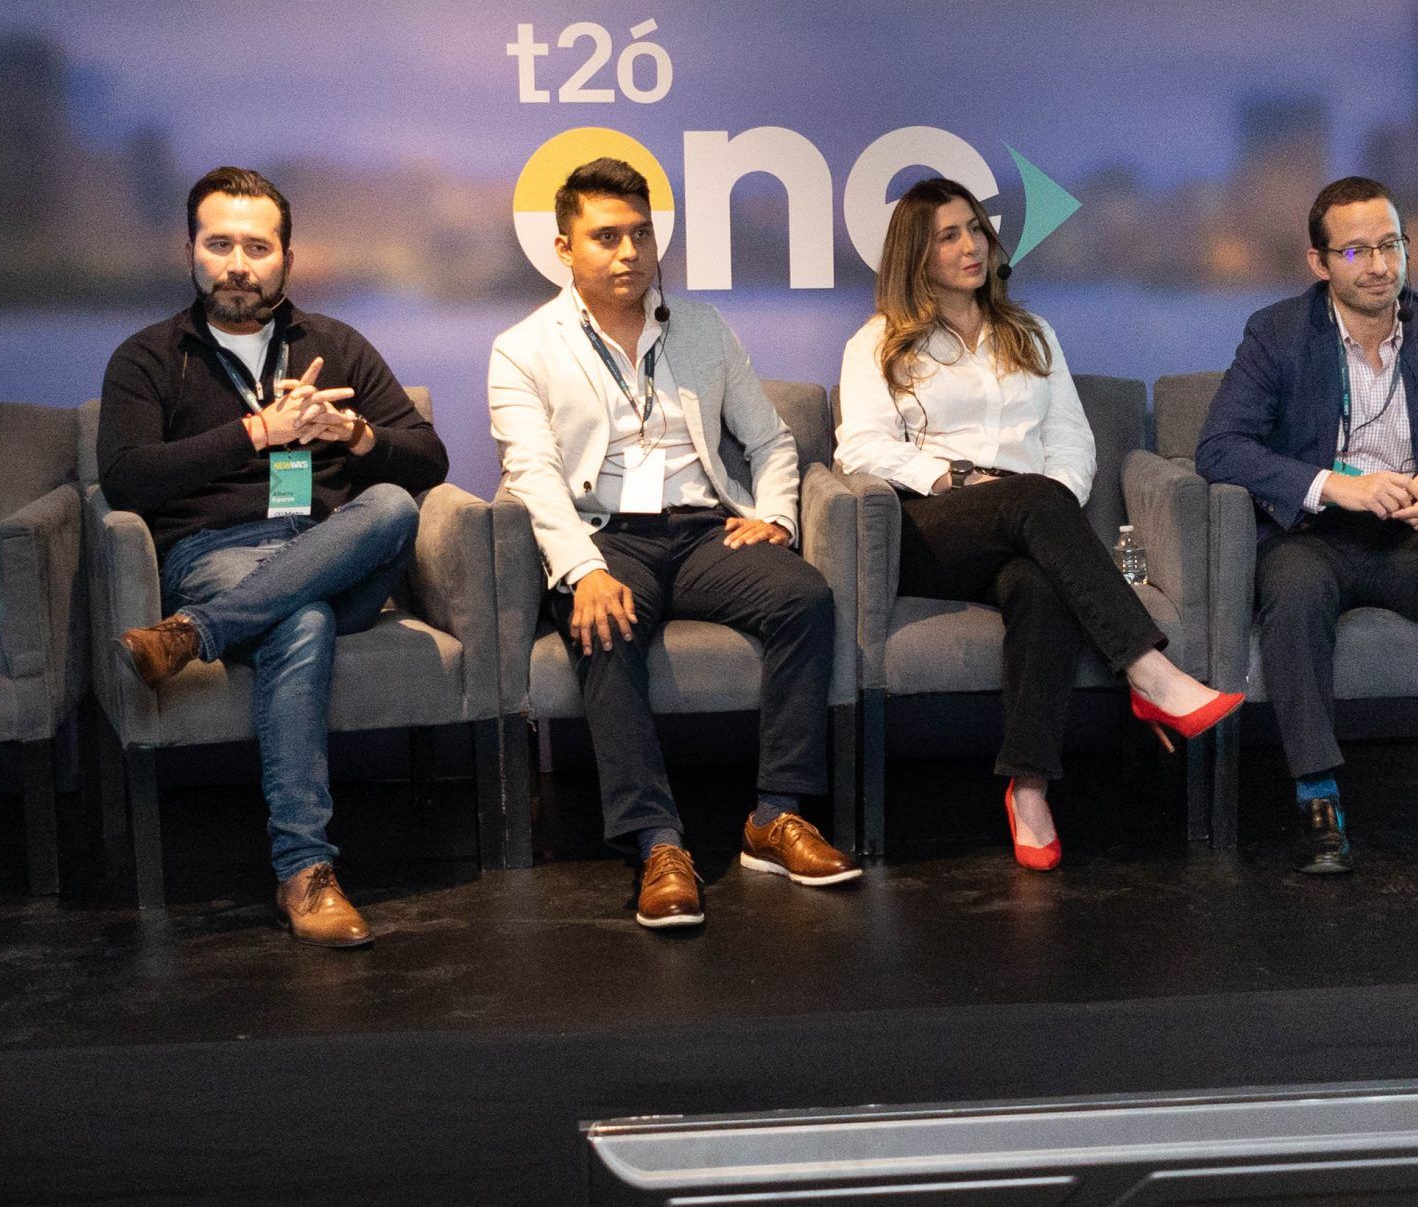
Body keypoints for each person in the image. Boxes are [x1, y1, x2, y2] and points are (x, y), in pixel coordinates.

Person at [490, 157, 859, 931]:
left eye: (641, 234)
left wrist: (777, 517)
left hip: (701, 527)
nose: (629, 252)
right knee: (606, 623)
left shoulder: (701, 327)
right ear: (564, 248)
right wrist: (582, 570)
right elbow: (532, 475)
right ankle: (657, 842)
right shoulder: (523, 348)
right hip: (604, 535)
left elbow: (771, 441)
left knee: (803, 596)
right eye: (606, 236)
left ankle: (777, 816)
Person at [835, 176, 1242, 870]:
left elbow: (1073, 441)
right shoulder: (879, 342)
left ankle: (1028, 789)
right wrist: (962, 480)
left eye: (976, 228)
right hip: (932, 528)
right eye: (949, 236)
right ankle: (1149, 671)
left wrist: (1047, 500)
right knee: (1028, 499)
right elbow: (861, 448)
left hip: (1029, 523)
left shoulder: (1029, 334)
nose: (972, 245)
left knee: (1039, 582)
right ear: (916, 255)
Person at [101, 166, 447, 948]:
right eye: (219, 244)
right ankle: (305, 871)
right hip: (217, 551)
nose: (238, 264)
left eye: (257, 247)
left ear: (286, 258)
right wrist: (258, 433)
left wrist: (351, 434)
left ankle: (194, 632)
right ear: (190, 251)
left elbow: (430, 458)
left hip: (333, 548)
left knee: (392, 506)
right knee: (302, 620)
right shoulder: (148, 357)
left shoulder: (337, 344)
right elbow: (125, 477)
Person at [1195, 176, 1418, 876]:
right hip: (1314, 536)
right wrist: (1336, 486)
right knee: (1293, 595)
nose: (1379, 265)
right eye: (1356, 251)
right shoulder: (1277, 332)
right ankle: (1317, 797)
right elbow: (1220, 447)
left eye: (1391, 245)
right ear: (1319, 262)